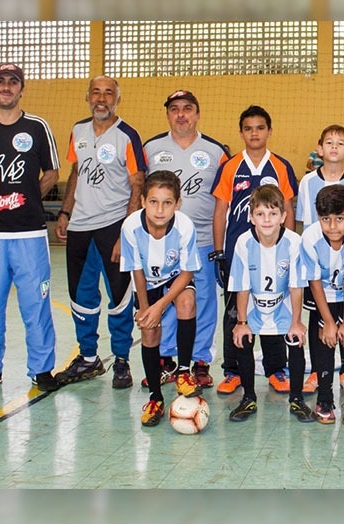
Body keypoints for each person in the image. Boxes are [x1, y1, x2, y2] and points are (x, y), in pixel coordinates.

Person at [0, 63, 60, 393]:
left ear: (21, 88)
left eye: (13, 82)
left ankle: (42, 369)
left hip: (29, 234)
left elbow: (52, 173)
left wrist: (27, 198)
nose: (6, 87)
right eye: (0, 81)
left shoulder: (37, 128)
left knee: (36, 304)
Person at [54, 75, 147, 389]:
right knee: (81, 296)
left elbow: (138, 184)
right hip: (80, 227)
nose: (102, 99)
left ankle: (121, 360)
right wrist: (66, 212)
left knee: (119, 297)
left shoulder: (127, 136)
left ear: (117, 99)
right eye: (96, 92)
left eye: (109, 93)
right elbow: (76, 172)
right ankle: (88, 358)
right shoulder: (78, 131)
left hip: (112, 227)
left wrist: (126, 232)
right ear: (88, 97)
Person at [142, 90, 230, 390]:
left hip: (203, 239)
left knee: (202, 301)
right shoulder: (151, 148)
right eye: (175, 109)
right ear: (168, 114)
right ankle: (167, 359)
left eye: (188, 109)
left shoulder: (216, 151)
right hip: (162, 242)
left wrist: (222, 246)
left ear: (197, 114)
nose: (181, 114)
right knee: (165, 299)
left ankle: (200, 361)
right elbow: (140, 191)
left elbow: (225, 200)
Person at [211, 105, 299, 396]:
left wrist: (291, 249)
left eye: (260, 127)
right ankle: (233, 370)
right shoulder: (231, 166)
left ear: (269, 131)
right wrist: (218, 251)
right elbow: (220, 209)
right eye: (248, 128)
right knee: (236, 311)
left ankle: (276, 369)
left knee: (274, 305)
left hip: (276, 251)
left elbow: (288, 208)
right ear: (241, 133)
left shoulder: (281, 166)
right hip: (240, 253)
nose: (254, 133)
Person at [120, 171, 202, 426]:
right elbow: (136, 270)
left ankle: (184, 372)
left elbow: (188, 270)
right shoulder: (131, 227)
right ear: (143, 200)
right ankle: (155, 397)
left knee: (187, 302)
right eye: (153, 201)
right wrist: (146, 310)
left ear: (177, 204)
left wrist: (160, 306)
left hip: (175, 279)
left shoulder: (185, 226)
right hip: (147, 282)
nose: (160, 209)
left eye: (167, 202)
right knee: (149, 331)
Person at [227, 185, 315, 422]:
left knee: (295, 338)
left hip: (283, 306)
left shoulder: (294, 242)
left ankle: (297, 399)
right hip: (255, 305)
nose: (267, 220)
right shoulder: (243, 242)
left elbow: (296, 286)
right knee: (242, 337)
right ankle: (249, 398)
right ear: (251, 216)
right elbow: (242, 286)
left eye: (273, 213)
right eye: (260, 214)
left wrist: (296, 322)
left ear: (283, 216)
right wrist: (242, 322)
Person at [296, 124, 344, 395]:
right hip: (317, 261)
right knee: (318, 322)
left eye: (340, 142)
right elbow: (303, 222)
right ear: (320, 148)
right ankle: (317, 371)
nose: (334, 147)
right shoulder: (308, 182)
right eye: (329, 142)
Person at [300, 184, 344, 424]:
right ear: (318, 218)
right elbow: (314, 280)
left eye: (339, 219)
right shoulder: (309, 237)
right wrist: (329, 322)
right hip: (321, 293)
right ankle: (325, 396)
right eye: (325, 219)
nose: (332, 226)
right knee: (324, 338)